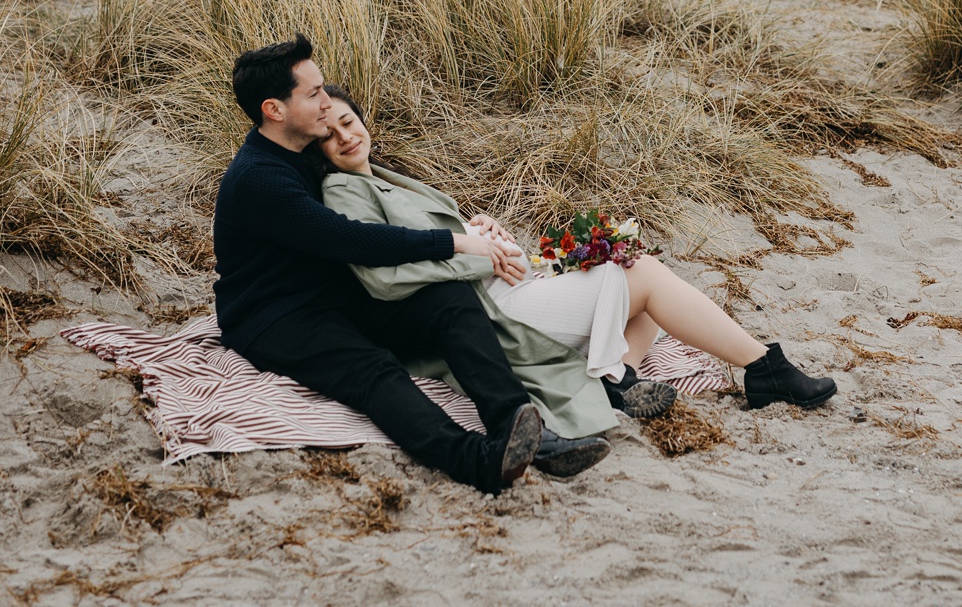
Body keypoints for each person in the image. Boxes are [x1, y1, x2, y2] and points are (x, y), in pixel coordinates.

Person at [211, 34, 609, 494]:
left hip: (335, 293)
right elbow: (350, 238)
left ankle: (518, 428)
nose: (326, 101)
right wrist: (456, 243)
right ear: (274, 110)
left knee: (449, 300)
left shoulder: (303, 151)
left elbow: (378, 200)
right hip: (276, 316)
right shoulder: (259, 179)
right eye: (313, 93)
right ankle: (479, 463)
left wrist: (470, 223)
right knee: (374, 372)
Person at [316, 84, 837, 415]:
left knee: (630, 262)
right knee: (645, 277)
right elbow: (385, 272)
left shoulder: (390, 180)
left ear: (364, 120)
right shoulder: (342, 192)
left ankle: (622, 375)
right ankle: (764, 369)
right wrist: (478, 252)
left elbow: (436, 239)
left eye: (348, 121)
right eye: (328, 134)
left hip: (506, 287)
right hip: (486, 313)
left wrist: (488, 232)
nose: (344, 135)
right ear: (316, 150)